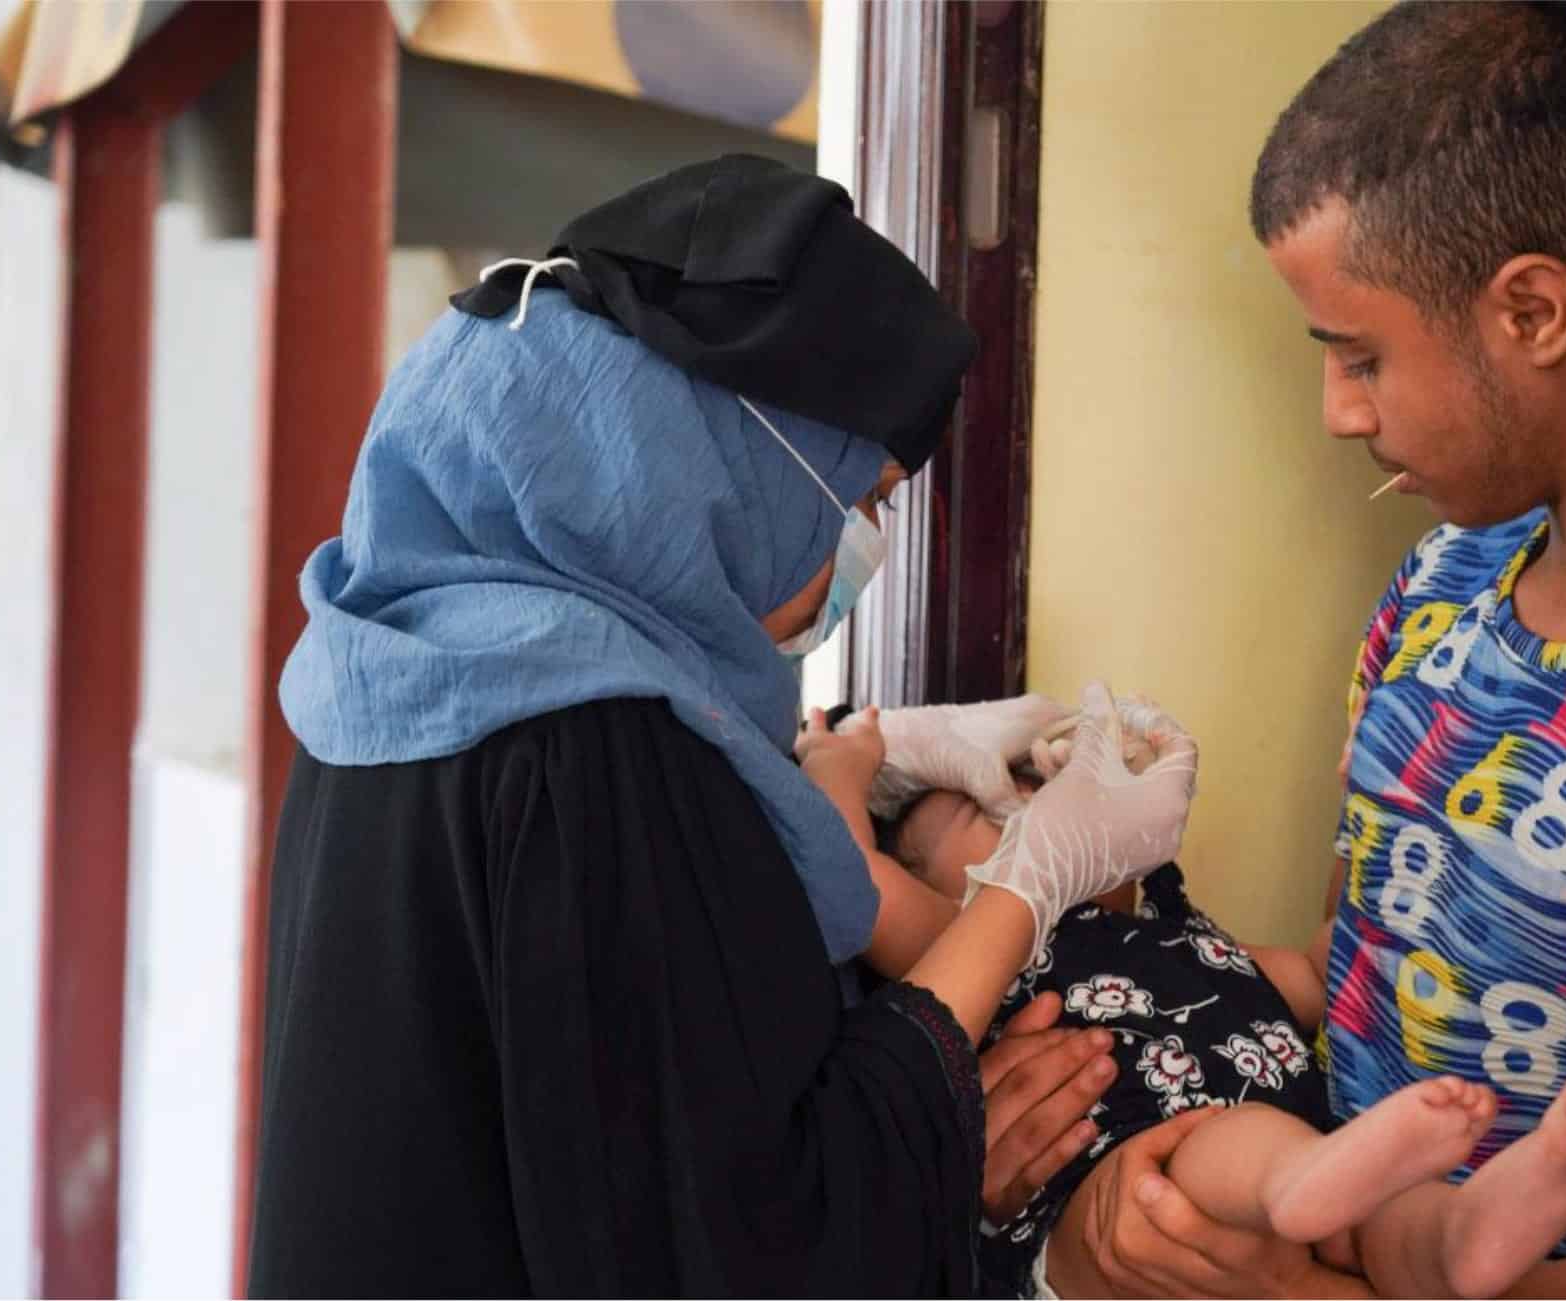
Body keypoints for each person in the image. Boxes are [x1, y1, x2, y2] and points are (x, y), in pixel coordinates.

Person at [243, 155, 1199, 1298]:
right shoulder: (590, 747)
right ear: (734, 465)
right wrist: (1022, 902)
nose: (858, 555)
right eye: (863, 500)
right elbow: (748, 1242)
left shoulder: (400, 669)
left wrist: (875, 752)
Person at [969, 4, 1566, 1295]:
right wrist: (1101, 1115)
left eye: (1358, 356)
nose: (1336, 414)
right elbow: (1365, 993)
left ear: (1534, 311)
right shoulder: (1434, 591)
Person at [802, 711, 1566, 1300]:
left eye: (1036, 793)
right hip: (1142, 1181)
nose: (1024, 807)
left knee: (1386, 1219)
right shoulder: (974, 942)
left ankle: (1464, 1237)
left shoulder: (1185, 936)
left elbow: (1330, 967)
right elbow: (855, 884)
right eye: (973, 817)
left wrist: (1403, 818)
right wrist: (842, 763)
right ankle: (1307, 1182)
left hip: (1316, 1167)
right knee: (1239, 1154)